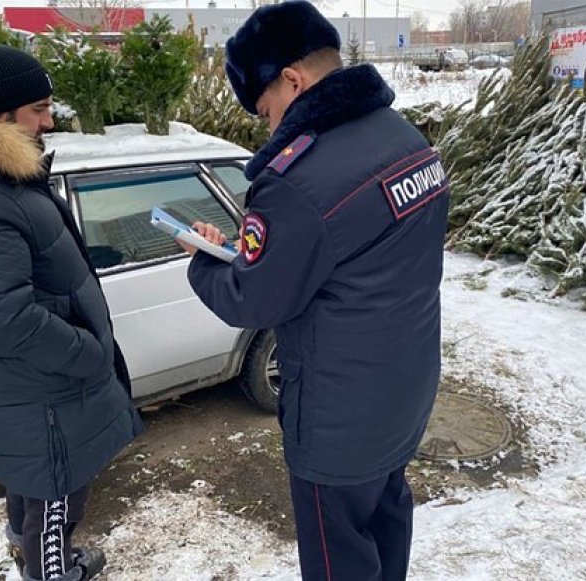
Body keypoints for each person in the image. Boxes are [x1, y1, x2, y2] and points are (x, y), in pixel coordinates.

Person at [184, 2, 449, 579]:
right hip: (403, 393)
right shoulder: (407, 140)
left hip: (337, 421)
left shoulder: (295, 181)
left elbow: (254, 301)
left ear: (293, 80)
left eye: (266, 108)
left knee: (338, 561)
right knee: (386, 526)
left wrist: (205, 264)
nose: (268, 125)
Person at [0, 45, 144, 581]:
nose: (49, 119)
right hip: (45, 395)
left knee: (34, 492)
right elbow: (2, 313)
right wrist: (86, 352)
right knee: (57, 503)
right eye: (38, 108)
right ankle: (52, 571)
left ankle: (30, 553)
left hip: (31, 391)